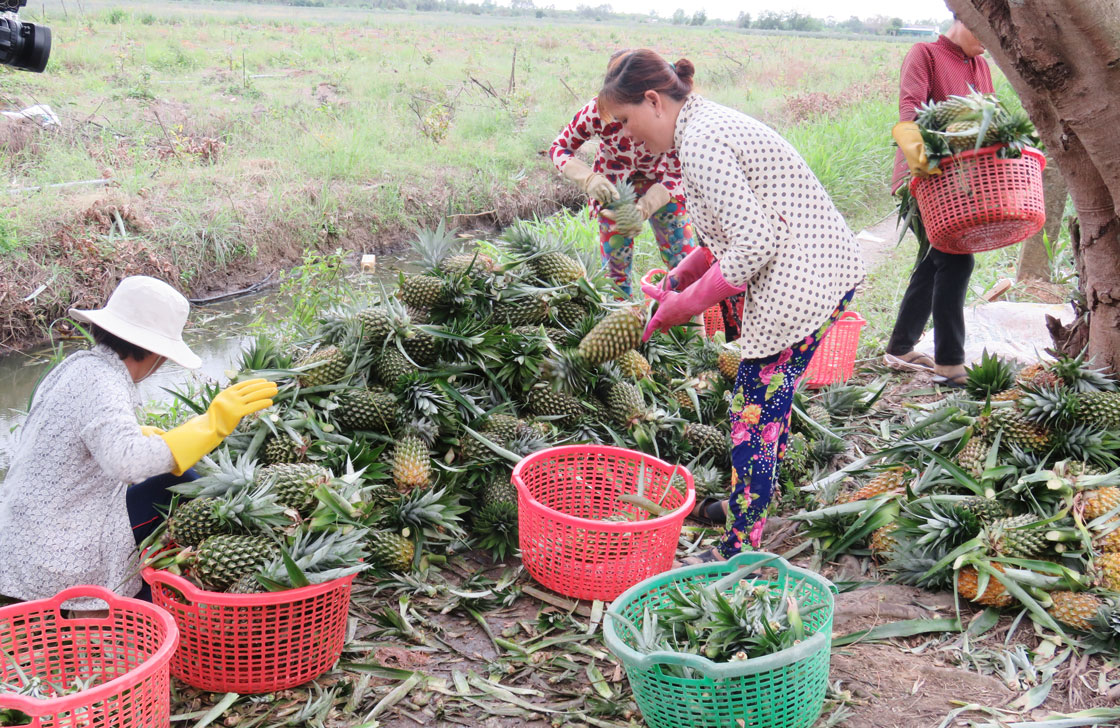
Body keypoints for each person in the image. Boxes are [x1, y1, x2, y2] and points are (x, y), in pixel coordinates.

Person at [601, 50, 864, 561]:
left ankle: (740, 547)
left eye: (627, 121)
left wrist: (686, 306)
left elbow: (753, 244)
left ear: (653, 101)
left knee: (752, 413)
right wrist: (680, 278)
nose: (628, 136)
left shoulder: (701, 142)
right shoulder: (701, 128)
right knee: (768, 406)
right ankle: (752, 504)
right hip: (822, 266)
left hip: (801, 281)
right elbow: (725, 236)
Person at [0, 276, 277, 612]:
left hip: (25, 531)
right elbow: (128, 464)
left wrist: (145, 434)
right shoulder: (103, 381)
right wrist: (212, 424)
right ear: (157, 353)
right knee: (175, 486)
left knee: (175, 477)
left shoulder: (78, 366)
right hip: (57, 548)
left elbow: (85, 433)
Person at [884, 17, 994, 388]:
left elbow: (987, 121)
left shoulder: (979, 64)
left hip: (961, 183)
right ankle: (950, 362)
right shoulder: (925, 54)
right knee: (955, 258)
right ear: (964, 18)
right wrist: (926, 170)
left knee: (935, 261)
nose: (990, 44)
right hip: (926, 179)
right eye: (986, 32)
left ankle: (900, 347)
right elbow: (910, 112)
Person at [549, 56, 697, 296]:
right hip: (614, 188)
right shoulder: (599, 111)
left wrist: (650, 203)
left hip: (663, 184)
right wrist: (588, 179)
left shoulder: (672, 116)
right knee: (615, 271)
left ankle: (694, 330)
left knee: (683, 261)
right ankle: (622, 321)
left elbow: (679, 168)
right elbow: (559, 148)